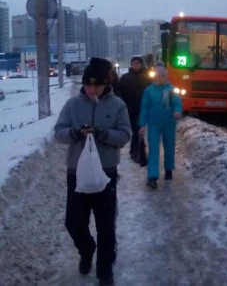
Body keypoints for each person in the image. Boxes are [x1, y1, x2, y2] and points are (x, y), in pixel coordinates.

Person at [53, 57, 132, 286]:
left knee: (105, 224)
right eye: (88, 85)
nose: (92, 90)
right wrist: (75, 133)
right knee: (74, 222)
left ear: (105, 85)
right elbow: (58, 132)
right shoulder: (72, 105)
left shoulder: (117, 105)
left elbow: (125, 135)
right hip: (76, 173)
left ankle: (105, 271)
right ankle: (87, 250)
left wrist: (103, 134)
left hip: (106, 173)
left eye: (96, 86)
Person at [138, 62, 182, 189]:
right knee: (154, 150)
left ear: (166, 76)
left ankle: (168, 169)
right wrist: (142, 124)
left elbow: (177, 103)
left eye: (162, 76)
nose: (160, 78)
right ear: (154, 77)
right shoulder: (149, 91)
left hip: (169, 123)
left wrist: (177, 111)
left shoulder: (171, 90)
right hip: (154, 124)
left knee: (169, 147)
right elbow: (145, 108)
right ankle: (152, 177)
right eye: (158, 76)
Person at [116, 56, 151, 164]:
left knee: (139, 131)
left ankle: (138, 151)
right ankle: (137, 151)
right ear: (131, 64)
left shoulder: (147, 77)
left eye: (138, 62)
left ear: (141, 64)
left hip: (143, 109)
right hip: (129, 109)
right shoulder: (125, 78)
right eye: (134, 62)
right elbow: (119, 93)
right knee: (135, 131)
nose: (136, 64)